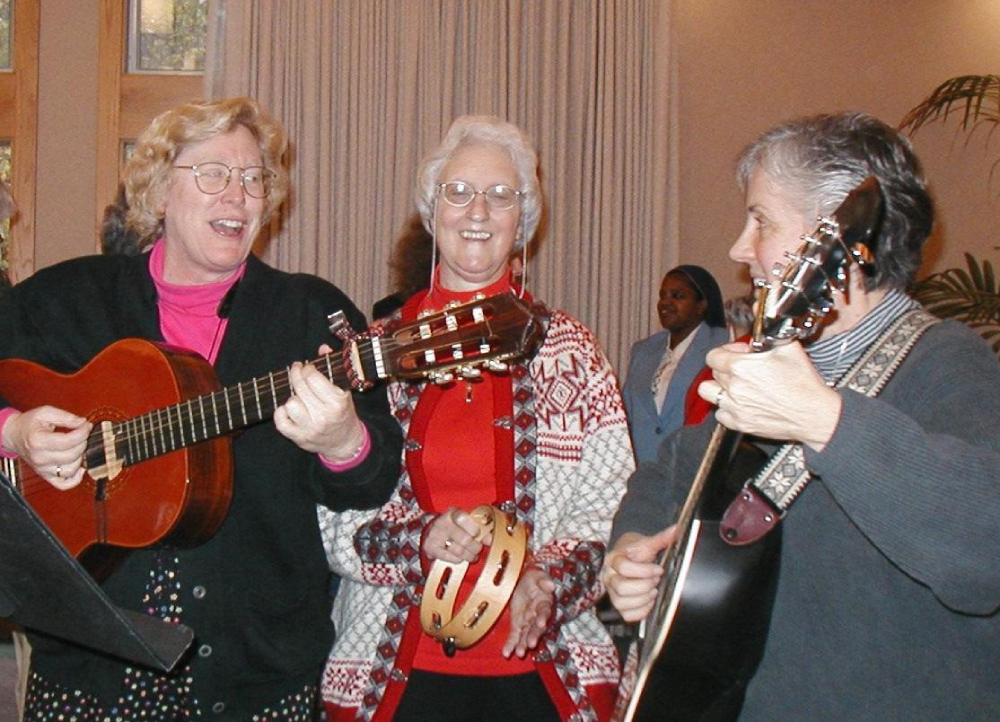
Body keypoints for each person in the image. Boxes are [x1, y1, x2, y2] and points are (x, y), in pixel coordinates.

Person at [0, 97, 402, 718]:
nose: (237, 197)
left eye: (253, 180)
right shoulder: (66, 299)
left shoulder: (311, 313)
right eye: (213, 174)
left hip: (254, 675)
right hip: (91, 673)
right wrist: (16, 431)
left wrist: (345, 441)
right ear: (160, 191)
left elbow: (375, 479)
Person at [603, 111, 1000, 720]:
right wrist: (630, 547)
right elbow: (667, 473)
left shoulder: (949, 365)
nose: (739, 249)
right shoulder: (782, 365)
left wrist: (824, 420)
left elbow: (985, 551)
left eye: (760, 220)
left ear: (838, 235)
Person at [318, 115, 634, 720]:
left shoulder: (571, 350)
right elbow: (336, 516)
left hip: (547, 672)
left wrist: (549, 579)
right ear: (431, 212)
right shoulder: (374, 353)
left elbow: (612, 505)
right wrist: (419, 537)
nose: (479, 212)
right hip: (393, 674)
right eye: (458, 193)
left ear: (524, 223)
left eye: (501, 196)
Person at [621, 265, 728, 464]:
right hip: (643, 469)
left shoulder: (721, 346)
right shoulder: (643, 350)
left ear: (701, 305)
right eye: (663, 295)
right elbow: (626, 414)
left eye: (677, 296)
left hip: (691, 467)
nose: (665, 303)